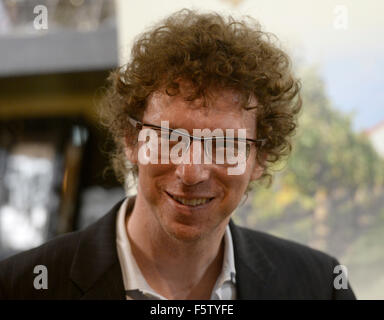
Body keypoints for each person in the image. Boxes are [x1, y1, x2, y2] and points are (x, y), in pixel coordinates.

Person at [0, 9, 355, 300]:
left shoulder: (320, 287)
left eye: (224, 145)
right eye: (170, 138)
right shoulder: (20, 287)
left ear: (259, 160)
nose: (191, 171)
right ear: (131, 139)